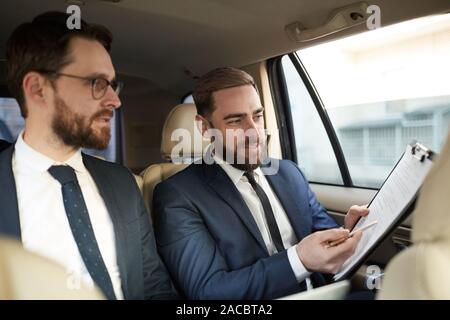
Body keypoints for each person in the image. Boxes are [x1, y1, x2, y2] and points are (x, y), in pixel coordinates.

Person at [0, 11, 177, 300]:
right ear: (37, 89)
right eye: (96, 83)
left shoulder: (122, 184)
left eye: (112, 84)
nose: (115, 100)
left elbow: (153, 284)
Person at [153, 67, 369, 299]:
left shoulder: (289, 173)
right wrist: (298, 260)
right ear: (205, 127)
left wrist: (348, 232)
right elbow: (208, 292)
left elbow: (326, 243)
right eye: (236, 120)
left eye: (257, 116)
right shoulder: (177, 195)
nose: (254, 132)